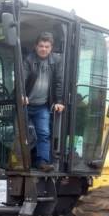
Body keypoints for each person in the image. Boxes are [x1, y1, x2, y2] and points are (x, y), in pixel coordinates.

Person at [23, 31, 64, 172]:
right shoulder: (29, 60)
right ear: (36, 46)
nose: (44, 49)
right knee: (21, 134)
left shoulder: (56, 61)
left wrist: (59, 101)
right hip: (26, 105)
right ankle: (20, 161)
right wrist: (22, 95)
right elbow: (22, 78)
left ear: (51, 47)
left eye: (47, 46)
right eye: (41, 46)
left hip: (42, 106)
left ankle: (42, 162)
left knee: (44, 133)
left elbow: (59, 81)